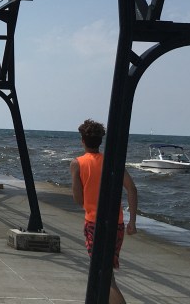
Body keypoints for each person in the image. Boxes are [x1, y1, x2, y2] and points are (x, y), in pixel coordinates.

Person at [70, 119, 138, 304]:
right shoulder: (111, 162)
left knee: (105, 277)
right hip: (116, 224)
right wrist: (132, 221)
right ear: (100, 140)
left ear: (82, 140)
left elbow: (78, 200)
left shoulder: (77, 163)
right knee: (105, 273)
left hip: (94, 223)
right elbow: (131, 188)